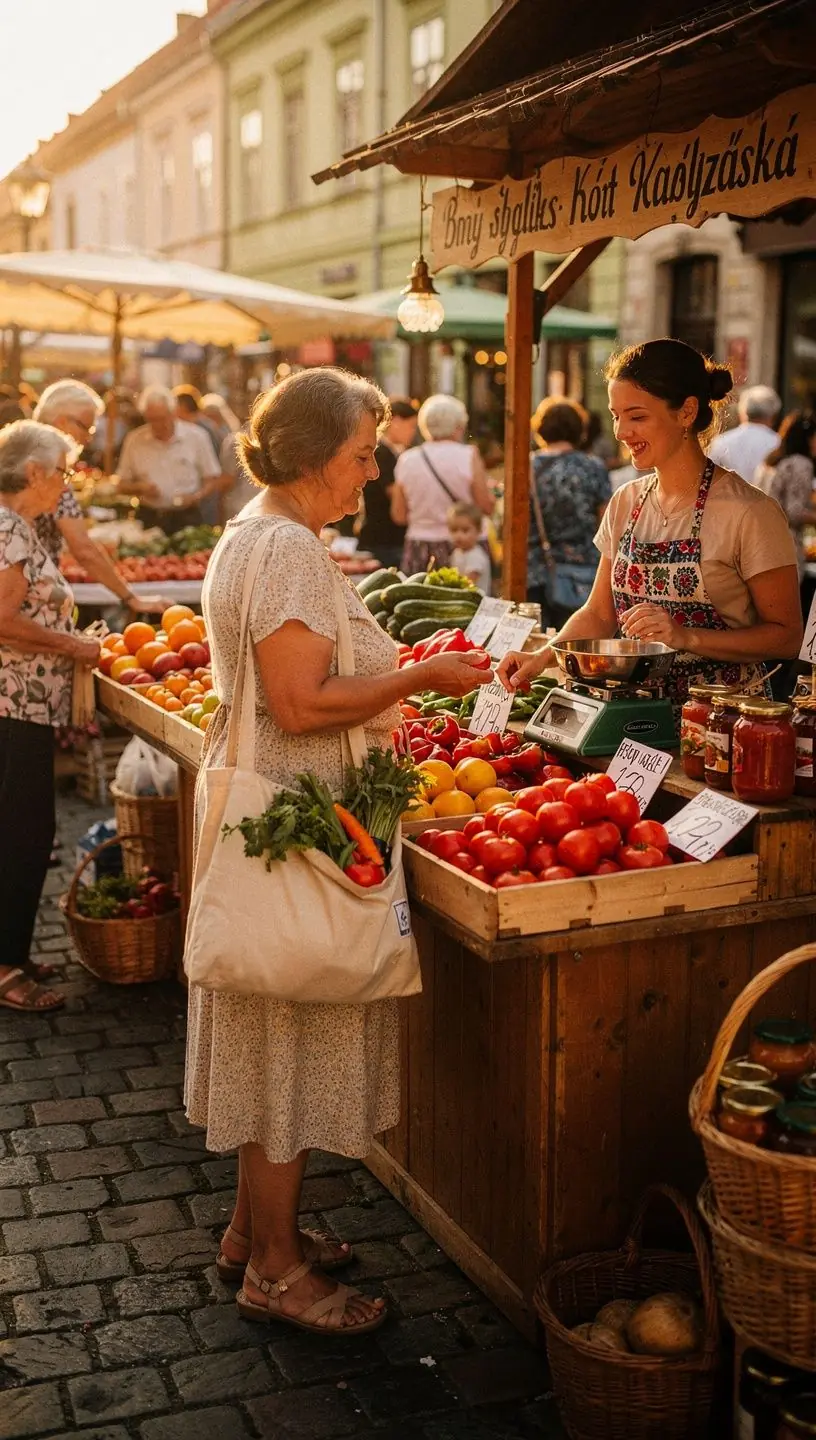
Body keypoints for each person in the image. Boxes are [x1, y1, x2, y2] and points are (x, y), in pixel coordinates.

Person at [184, 367, 491, 1336]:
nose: (372, 471)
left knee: (280, 1032)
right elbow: (301, 702)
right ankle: (274, 1271)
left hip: (292, 819)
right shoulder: (283, 549)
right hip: (299, 829)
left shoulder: (264, 534)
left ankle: (252, 1231)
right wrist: (421, 673)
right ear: (315, 453)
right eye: (363, 453)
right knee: (288, 1036)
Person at [498, 339, 803, 713]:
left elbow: (786, 637)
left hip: (720, 726)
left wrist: (684, 636)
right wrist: (541, 657)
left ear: (687, 412)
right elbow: (599, 614)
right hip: (635, 715)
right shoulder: (625, 501)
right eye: (615, 415)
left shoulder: (751, 512)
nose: (621, 432)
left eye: (637, 416)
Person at [0, 421, 101, 1012]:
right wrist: (74, 647)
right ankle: (8, 967)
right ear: (35, 472)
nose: (66, 481)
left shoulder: (17, 527)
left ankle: (9, 947)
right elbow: (5, 620)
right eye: (62, 469)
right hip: (16, 704)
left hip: (23, 703)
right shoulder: (10, 529)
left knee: (24, 830)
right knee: (24, 833)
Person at [32, 380, 165, 614]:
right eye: (87, 427)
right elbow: (82, 548)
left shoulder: (20, 453)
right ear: (61, 422)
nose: (89, 437)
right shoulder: (51, 471)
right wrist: (130, 597)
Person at [527, 397, 611, 627]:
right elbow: (606, 522)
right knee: (577, 644)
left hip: (536, 570)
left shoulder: (526, 467)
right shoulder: (593, 467)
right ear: (578, 430)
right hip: (584, 572)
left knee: (537, 645)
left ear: (541, 429)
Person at [391, 394, 493, 574]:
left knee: (418, 600)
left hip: (420, 546)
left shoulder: (407, 459)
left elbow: (398, 515)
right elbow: (485, 506)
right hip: (465, 548)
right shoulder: (469, 455)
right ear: (458, 426)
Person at [116, 384, 222, 533]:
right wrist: (140, 488)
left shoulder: (197, 437)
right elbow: (121, 484)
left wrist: (196, 497)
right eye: (152, 420)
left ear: (173, 413)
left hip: (187, 517)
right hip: (149, 516)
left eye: (162, 418)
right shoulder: (134, 440)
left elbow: (212, 479)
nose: (158, 425)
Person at [752, 411, 816, 582]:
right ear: (807, 438)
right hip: (786, 547)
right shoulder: (801, 464)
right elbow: (794, 512)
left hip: (759, 544)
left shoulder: (771, 460)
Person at [356, 396, 417, 569]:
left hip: (386, 538)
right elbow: (394, 493)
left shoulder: (395, 452)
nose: (413, 432)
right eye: (411, 426)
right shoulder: (381, 453)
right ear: (396, 421)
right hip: (382, 539)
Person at [708, 383, 781, 482]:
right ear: (773, 415)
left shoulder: (721, 442)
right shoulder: (779, 443)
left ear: (742, 412)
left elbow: (708, 479)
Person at [447, 501, 493, 592]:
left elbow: (468, 583)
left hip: (476, 603)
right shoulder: (457, 552)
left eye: (465, 530)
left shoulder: (475, 556)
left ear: (479, 530)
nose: (459, 535)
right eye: (454, 530)